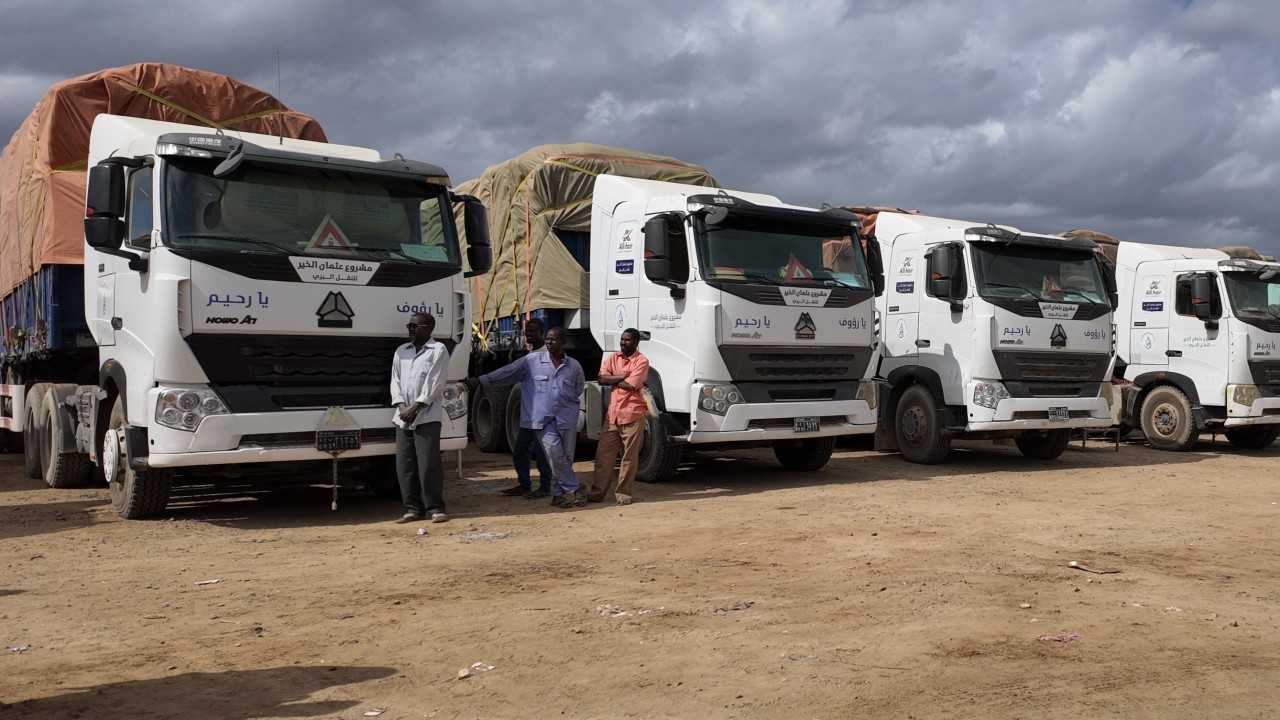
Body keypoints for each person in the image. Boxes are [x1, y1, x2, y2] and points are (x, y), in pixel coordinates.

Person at [470, 327, 586, 508]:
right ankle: (576, 486)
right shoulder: (531, 361)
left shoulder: (574, 366)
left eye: (553, 339)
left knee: (566, 458)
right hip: (541, 419)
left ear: (563, 342)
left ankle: (558, 496)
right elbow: (507, 372)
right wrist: (481, 380)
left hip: (566, 417)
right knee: (554, 453)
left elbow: (578, 388)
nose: (549, 342)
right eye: (547, 339)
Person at [390, 312, 450, 524]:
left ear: (429, 328)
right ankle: (413, 508)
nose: (410, 329)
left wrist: (415, 407)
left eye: (415, 326)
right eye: (409, 325)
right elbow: (395, 382)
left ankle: (435, 508)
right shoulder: (401, 351)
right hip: (403, 416)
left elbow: (435, 384)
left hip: (426, 416)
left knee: (428, 464)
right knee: (405, 465)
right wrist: (402, 407)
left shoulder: (438, 350)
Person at [588, 328, 650, 505]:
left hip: (632, 415)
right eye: (622, 339)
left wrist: (612, 378)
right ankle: (597, 494)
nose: (623, 342)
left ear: (636, 342)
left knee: (629, 458)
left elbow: (631, 386)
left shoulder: (642, 361)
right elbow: (600, 379)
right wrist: (621, 376)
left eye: (628, 340)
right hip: (612, 417)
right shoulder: (613, 357)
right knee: (603, 457)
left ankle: (623, 494)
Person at [495, 318, 555, 499]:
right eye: (527, 331)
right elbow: (507, 374)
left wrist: (482, 380)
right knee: (520, 450)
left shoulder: (548, 357)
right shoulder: (530, 357)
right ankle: (524, 484)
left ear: (542, 333)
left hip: (544, 417)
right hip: (529, 416)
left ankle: (545, 486)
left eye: (533, 331)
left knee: (542, 453)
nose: (528, 334)